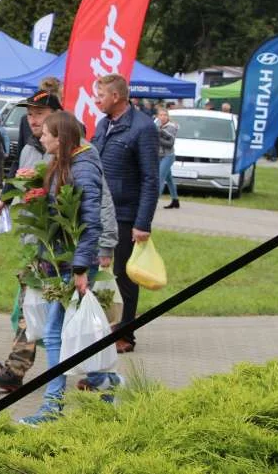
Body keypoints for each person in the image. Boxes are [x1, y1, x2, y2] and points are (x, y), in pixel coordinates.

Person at [0, 89, 117, 393]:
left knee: (56, 318)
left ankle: (82, 382)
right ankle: (24, 375)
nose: (33, 121)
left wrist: (105, 245)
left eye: (39, 116)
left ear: (57, 121)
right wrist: (5, 197)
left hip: (70, 252)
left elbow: (97, 204)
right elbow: (24, 180)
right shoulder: (32, 147)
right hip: (41, 246)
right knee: (33, 311)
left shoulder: (81, 156)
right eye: (29, 115)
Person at [18, 111, 116, 425]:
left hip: (70, 263)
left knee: (55, 333)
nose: (41, 137)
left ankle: (52, 407)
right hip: (58, 260)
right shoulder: (65, 164)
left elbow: (89, 221)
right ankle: (104, 383)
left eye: (46, 133)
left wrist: (80, 268)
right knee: (66, 332)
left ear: (60, 137)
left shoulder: (83, 167)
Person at [91, 74, 159, 354]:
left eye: (101, 95)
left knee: (123, 276)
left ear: (116, 97)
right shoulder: (103, 123)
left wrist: (142, 222)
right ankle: (102, 327)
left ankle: (124, 334)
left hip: (126, 213)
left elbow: (150, 178)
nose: (96, 100)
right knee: (100, 272)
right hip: (99, 209)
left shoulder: (142, 127)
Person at [158, 108, 179, 209]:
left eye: (164, 115)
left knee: (159, 178)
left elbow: (170, 144)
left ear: (168, 116)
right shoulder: (157, 125)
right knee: (169, 179)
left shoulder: (171, 127)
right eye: (161, 115)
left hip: (168, 156)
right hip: (159, 156)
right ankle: (175, 200)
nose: (162, 117)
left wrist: (157, 137)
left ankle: (152, 202)